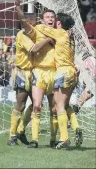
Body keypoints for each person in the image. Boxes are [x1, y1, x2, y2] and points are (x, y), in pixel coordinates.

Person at [15, 0, 58, 148]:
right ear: (42, 19)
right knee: (37, 105)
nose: (50, 19)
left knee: (54, 108)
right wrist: (18, 6)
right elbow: (23, 21)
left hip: (54, 73)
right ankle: (34, 140)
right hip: (39, 72)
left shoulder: (60, 32)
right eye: (47, 17)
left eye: (52, 17)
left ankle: (53, 140)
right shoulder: (37, 30)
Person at [34, 12, 82, 148]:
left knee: (58, 106)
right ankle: (76, 126)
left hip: (63, 72)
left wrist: (39, 21)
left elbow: (42, 28)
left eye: (55, 19)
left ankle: (64, 138)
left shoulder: (59, 33)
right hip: (72, 72)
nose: (53, 21)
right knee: (64, 105)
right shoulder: (70, 37)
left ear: (59, 23)